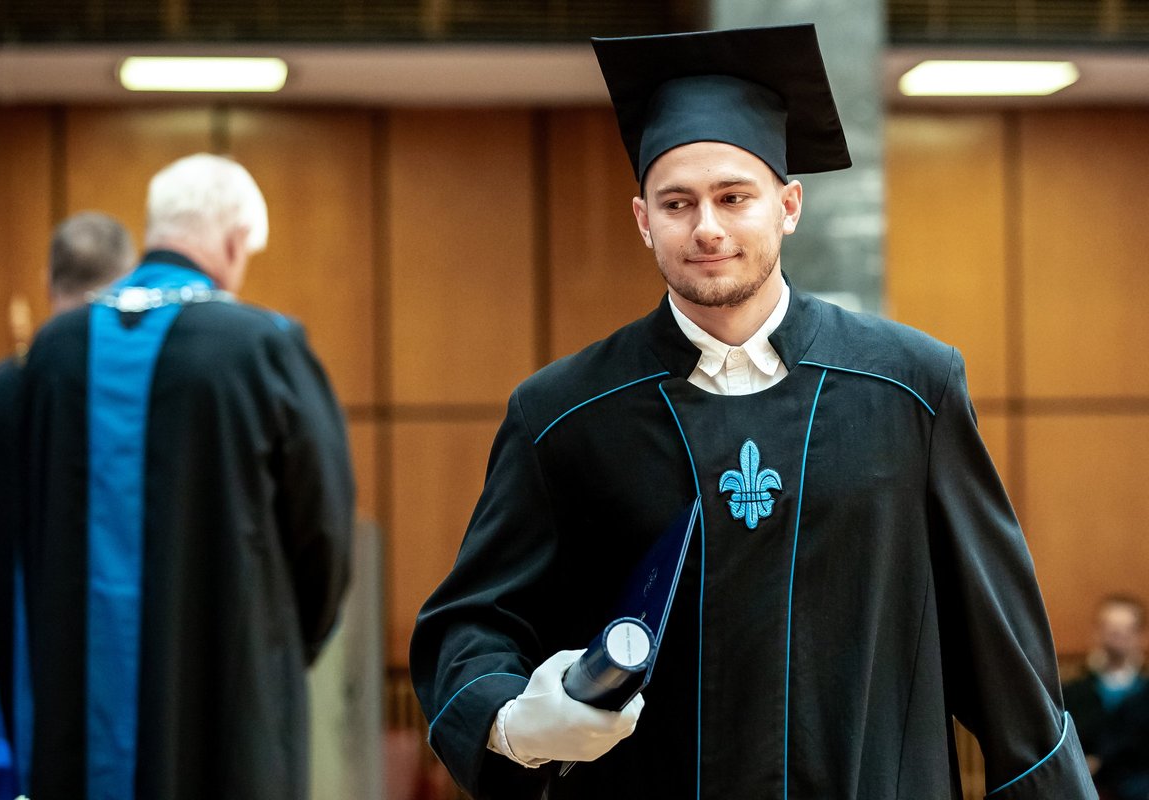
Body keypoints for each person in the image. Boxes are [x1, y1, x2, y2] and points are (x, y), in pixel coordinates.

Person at [409, 24, 1097, 799]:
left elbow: (1002, 652)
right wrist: (515, 720)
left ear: (788, 206)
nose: (707, 226)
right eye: (677, 203)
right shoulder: (565, 415)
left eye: (733, 197)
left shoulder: (910, 389)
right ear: (643, 219)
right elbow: (470, 624)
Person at [17, 153, 355, 799]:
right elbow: (325, 534)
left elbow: (26, 537)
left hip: (77, 701)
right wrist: (275, 646)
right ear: (233, 241)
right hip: (228, 695)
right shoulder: (264, 347)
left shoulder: (54, 352)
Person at [0, 211, 137, 790]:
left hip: (31, 655)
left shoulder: (7, 388)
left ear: (48, 281)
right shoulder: (133, 386)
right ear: (129, 280)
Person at [1064, 595, 1149, 799]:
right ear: (1098, 632)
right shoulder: (1073, 692)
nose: (1119, 636)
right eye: (1112, 629)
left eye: (1126, 629)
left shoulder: (1145, 692)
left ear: (1141, 635)